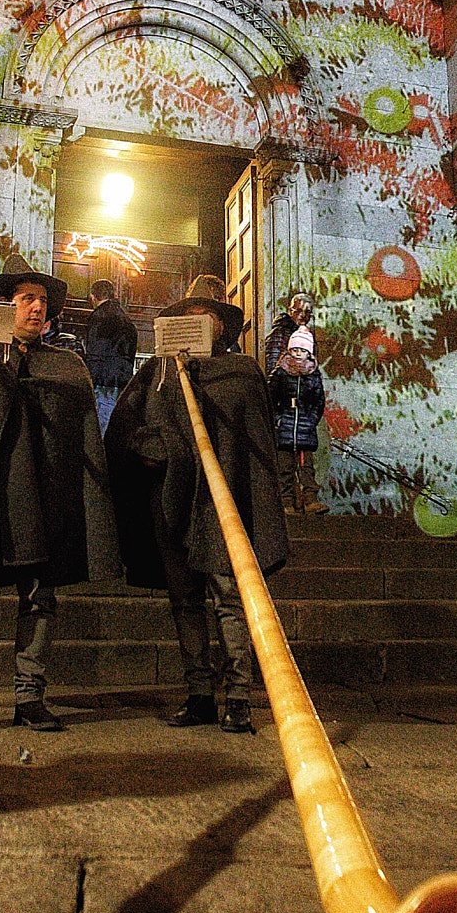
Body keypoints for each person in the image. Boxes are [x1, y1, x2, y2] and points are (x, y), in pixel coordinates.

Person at [0, 254, 120, 735]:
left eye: (43, 301)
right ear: (4, 305)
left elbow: (81, 439)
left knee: (39, 599)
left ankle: (30, 695)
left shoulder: (66, 366)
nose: (37, 308)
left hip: (44, 499)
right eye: (27, 299)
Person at [104, 276, 289, 732]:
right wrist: (155, 448)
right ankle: (199, 693)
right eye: (188, 314)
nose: (197, 321)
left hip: (224, 504)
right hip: (173, 498)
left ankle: (240, 695)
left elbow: (256, 444)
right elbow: (127, 428)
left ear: (221, 327)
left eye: (206, 315)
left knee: (229, 595)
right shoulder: (158, 372)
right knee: (185, 598)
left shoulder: (244, 372)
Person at [270, 326, 328, 513]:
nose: (297, 354)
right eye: (295, 350)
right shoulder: (280, 373)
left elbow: (318, 401)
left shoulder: (313, 374)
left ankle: (310, 500)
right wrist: (278, 418)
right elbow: (270, 398)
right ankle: (286, 503)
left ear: (308, 353)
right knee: (285, 468)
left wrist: (311, 421)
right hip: (285, 428)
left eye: (302, 351)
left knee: (306, 467)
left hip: (305, 429)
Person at [83, 278, 138, 434]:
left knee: (100, 431)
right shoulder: (125, 319)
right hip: (123, 381)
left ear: (93, 297)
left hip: (103, 381)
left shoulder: (99, 317)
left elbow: (95, 353)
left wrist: (89, 381)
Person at [264, 292, 317, 374]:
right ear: (290, 311)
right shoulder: (280, 332)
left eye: (307, 312)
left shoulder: (307, 335)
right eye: (299, 310)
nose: (303, 315)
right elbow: (272, 365)